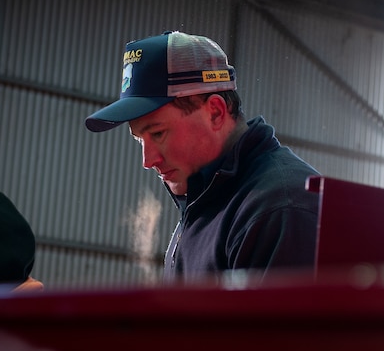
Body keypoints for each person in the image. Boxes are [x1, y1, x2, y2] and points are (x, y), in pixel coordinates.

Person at [84, 30, 321, 282]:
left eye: (158, 133)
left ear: (216, 113)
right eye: (139, 139)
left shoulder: (277, 210)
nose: (147, 160)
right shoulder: (207, 201)